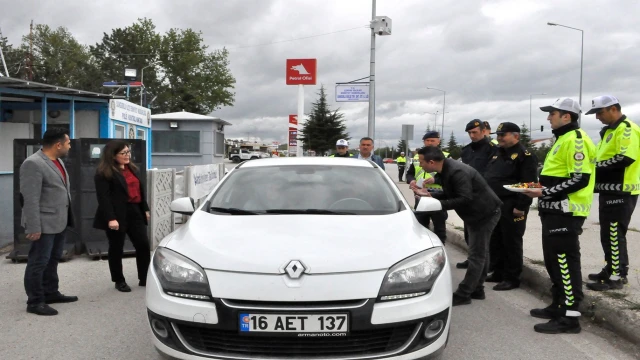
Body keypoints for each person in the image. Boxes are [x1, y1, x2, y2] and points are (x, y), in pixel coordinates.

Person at [525, 97, 596, 334]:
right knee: (554, 261)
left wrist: (544, 191)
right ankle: (558, 305)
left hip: (567, 211)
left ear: (567, 116)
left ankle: (570, 317)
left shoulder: (576, 140)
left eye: (552, 114)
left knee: (565, 263)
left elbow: (580, 178)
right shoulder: (562, 139)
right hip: (553, 210)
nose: (548, 118)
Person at [412, 147, 502, 306]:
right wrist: (430, 194)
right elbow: (451, 193)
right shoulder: (445, 170)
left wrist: (437, 203)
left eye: (421, 162)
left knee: (477, 255)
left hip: (485, 214)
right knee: (481, 252)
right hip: (476, 214)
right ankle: (477, 289)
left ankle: (464, 293)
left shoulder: (456, 172)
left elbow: (464, 198)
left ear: (431, 162)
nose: (420, 165)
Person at [584, 96, 640, 291]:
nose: (597, 117)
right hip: (609, 190)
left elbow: (625, 158)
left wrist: (593, 169)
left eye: (600, 112)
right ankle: (611, 268)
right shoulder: (611, 131)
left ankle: (617, 276)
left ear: (614, 109)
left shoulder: (626, 129)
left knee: (615, 234)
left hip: (622, 190)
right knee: (608, 233)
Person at [20, 127, 78, 316]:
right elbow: (30, 199)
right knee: (38, 262)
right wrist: (33, 226)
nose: (70, 146)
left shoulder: (58, 160)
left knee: (52, 260)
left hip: (58, 221)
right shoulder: (33, 164)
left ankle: (51, 292)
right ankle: (35, 301)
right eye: (68, 143)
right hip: (43, 224)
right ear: (58, 144)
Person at [484, 122, 539, 291]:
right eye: (498, 135)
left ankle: (512, 277)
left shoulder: (525, 155)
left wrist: (521, 206)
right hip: (496, 203)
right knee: (496, 239)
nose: (499, 138)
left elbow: (530, 184)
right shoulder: (497, 153)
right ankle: (498, 272)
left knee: (511, 241)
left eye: (503, 135)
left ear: (516, 136)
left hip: (513, 204)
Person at [94, 140, 151, 293]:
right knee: (116, 247)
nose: (127, 156)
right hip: (116, 213)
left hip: (135, 211)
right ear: (112, 155)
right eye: (123, 153)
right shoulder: (103, 173)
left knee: (143, 244)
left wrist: (145, 208)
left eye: (128, 152)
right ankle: (119, 280)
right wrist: (111, 218)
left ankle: (145, 277)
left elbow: (140, 190)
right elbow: (103, 198)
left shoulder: (132, 169)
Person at [457, 119, 498, 269]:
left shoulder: (493, 149)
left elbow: (491, 172)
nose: (472, 135)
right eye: (469, 133)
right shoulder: (466, 150)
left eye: (474, 132)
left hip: (485, 196)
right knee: (469, 231)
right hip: (469, 196)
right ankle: (472, 258)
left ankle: (488, 263)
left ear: (483, 131)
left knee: (484, 233)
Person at [407, 132, 450, 243]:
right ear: (424, 142)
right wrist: (411, 181)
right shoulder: (417, 157)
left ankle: (440, 250)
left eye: (433, 140)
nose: (430, 143)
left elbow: (449, 176)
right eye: (427, 140)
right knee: (420, 226)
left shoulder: (445, 156)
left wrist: (435, 180)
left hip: (438, 196)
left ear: (438, 141)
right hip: (420, 196)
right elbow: (410, 173)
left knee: (439, 228)